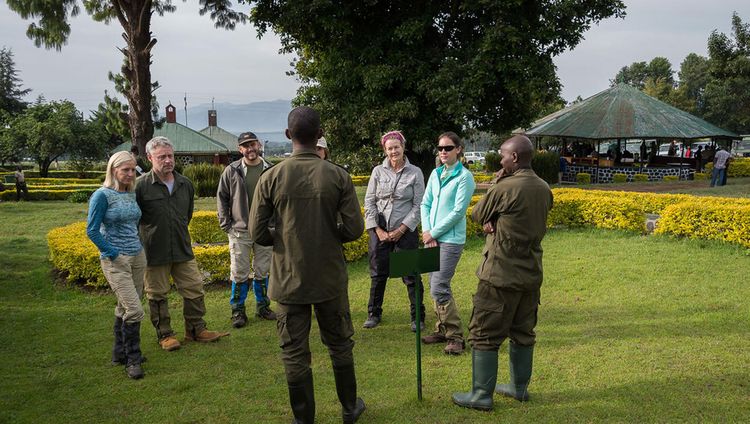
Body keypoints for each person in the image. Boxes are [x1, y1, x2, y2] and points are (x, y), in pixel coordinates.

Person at [249, 106, 366, 424]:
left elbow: (256, 232)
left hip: (288, 278)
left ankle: (304, 419)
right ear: (319, 136)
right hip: (328, 276)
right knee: (340, 343)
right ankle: (349, 408)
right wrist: (328, 236)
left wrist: (285, 240)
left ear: (288, 136)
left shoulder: (270, 177)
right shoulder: (337, 175)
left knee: (294, 351)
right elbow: (355, 229)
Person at [452, 135, 553, 411]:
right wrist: (497, 219)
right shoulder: (544, 188)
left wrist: (496, 186)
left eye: (503, 155)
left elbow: (477, 214)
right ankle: (519, 389)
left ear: (515, 158)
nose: (501, 159)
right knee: (523, 331)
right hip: (530, 273)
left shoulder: (505, 187)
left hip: (499, 273)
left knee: (484, 332)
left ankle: (481, 394)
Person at [136, 136, 229, 351]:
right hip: (153, 251)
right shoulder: (141, 187)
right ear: (150, 158)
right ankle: (165, 335)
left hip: (182, 248)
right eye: (162, 157)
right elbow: (135, 219)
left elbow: (186, 216)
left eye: (170, 156)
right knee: (157, 293)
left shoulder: (185, 184)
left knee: (194, 288)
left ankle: (196, 329)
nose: (168, 160)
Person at [86, 151, 147, 379]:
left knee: (125, 307)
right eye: (125, 170)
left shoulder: (131, 194)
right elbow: (92, 230)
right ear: (113, 170)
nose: (131, 174)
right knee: (135, 309)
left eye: (133, 170)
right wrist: (113, 253)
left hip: (137, 257)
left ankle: (119, 353)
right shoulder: (101, 196)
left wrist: (138, 248)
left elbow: (134, 225)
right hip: (116, 260)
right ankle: (133, 359)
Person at [362, 130, 426, 332]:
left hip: (405, 231)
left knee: (411, 275)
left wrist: (402, 229)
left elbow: (419, 205)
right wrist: (377, 230)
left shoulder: (415, 172)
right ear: (385, 150)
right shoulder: (377, 172)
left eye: (396, 147)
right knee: (378, 273)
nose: (393, 151)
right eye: (389, 148)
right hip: (380, 230)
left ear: (403, 147)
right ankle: (374, 313)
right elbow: (369, 202)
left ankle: (418, 317)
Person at [420, 131, 476, 355]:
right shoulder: (435, 173)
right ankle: (441, 328)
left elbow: (457, 212)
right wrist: (426, 231)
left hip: (450, 239)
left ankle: (455, 337)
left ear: (458, 149)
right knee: (434, 284)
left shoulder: (465, 177)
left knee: (439, 285)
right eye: (440, 148)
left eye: (448, 148)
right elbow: (425, 204)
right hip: (431, 237)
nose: (443, 152)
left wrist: (433, 232)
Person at [216, 131, 276, 329]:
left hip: (264, 229)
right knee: (239, 272)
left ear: (258, 145)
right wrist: (227, 225)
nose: (250, 149)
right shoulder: (232, 170)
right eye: (245, 145)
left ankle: (263, 306)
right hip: (240, 230)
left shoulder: (270, 169)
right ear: (240, 149)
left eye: (253, 144)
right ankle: (238, 310)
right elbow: (222, 198)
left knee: (263, 270)